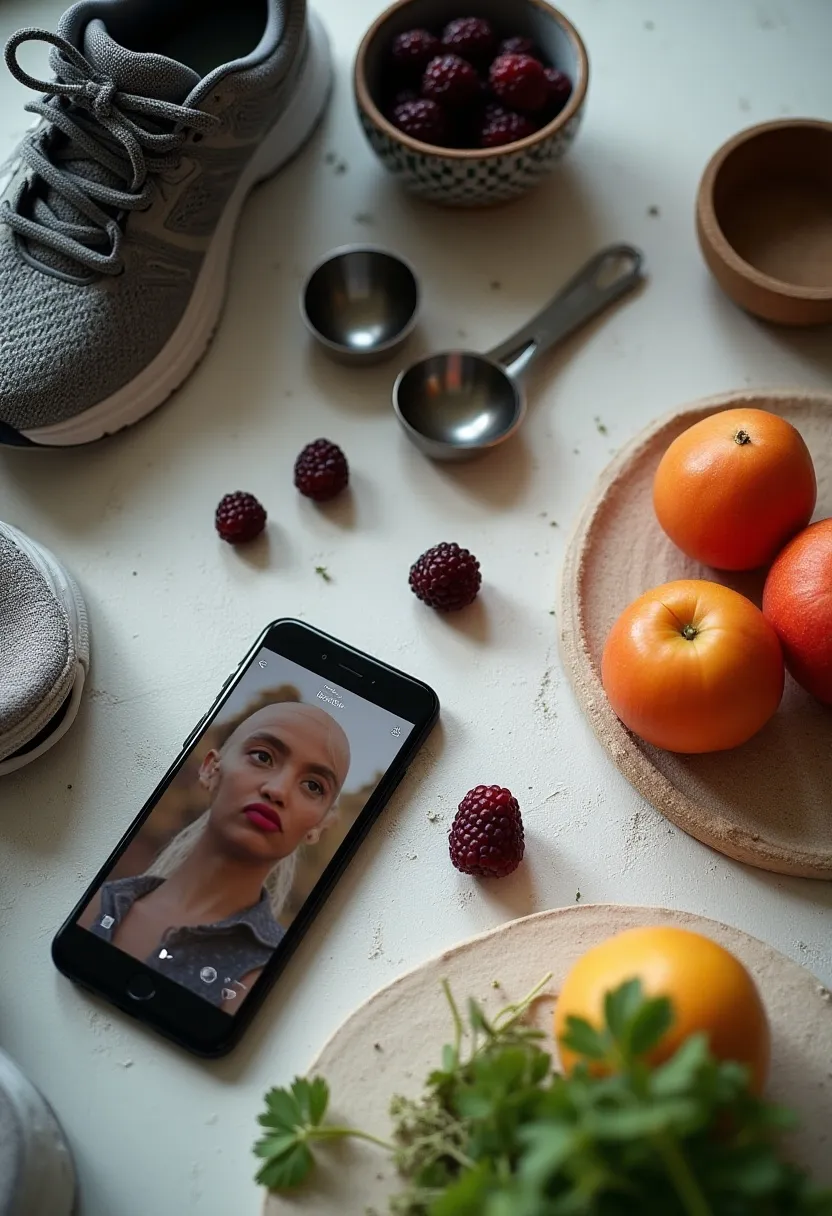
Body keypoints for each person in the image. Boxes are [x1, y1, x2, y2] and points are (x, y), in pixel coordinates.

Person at [80, 702, 351, 1011]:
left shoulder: (269, 973)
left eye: (313, 786)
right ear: (211, 769)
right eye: (263, 756)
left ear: (317, 827)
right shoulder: (101, 904)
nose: (277, 790)